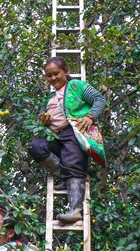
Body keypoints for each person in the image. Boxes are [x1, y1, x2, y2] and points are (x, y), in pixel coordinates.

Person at [28, 57, 106, 223]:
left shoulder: (77, 86)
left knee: (73, 163)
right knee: (36, 147)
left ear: (66, 71)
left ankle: (75, 210)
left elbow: (99, 99)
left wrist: (90, 117)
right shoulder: (50, 96)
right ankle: (65, 177)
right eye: (49, 76)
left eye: (56, 73)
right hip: (55, 136)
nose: (53, 78)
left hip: (74, 132)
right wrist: (45, 121)